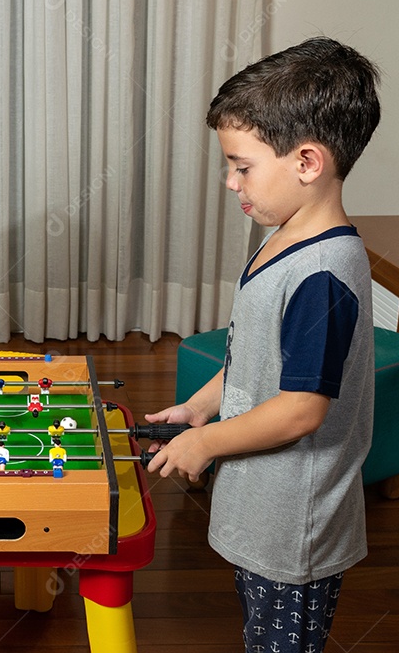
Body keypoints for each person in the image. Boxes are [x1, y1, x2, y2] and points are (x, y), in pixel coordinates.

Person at [146, 37, 380, 653]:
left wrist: (206, 442)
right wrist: (202, 406)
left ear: (307, 162)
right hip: (261, 505)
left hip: (293, 527)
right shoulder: (283, 237)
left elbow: (303, 408)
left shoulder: (324, 274)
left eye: (241, 165)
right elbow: (250, 351)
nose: (230, 182)